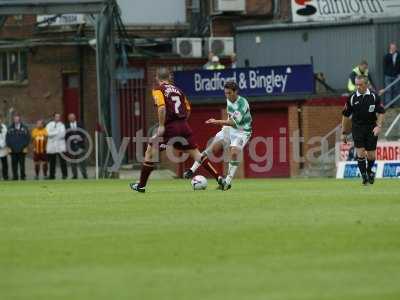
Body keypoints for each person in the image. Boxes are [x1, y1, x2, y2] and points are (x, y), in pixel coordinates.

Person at [130, 68, 221, 193]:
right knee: (197, 154)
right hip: (184, 125)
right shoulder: (179, 91)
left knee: (150, 152)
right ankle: (219, 178)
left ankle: (141, 185)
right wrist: (181, 122)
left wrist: (162, 125)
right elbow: (188, 109)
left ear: (157, 78)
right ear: (169, 77)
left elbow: (161, 108)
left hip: (170, 127)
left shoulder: (158, 90)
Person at [184, 81, 252, 191]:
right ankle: (192, 170)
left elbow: (234, 123)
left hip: (242, 131)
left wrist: (216, 121)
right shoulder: (228, 100)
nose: (227, 96)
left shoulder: (242, 104)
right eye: (225, 93)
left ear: (236, 92)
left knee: (234, 153)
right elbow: (230, 121)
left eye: (229, 93)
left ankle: (227, 182)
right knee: (211, 149)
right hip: (229, 129)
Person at [341, 75, 385, 185]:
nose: (358, 87)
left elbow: (381, 112)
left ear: (366, 84)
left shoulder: (374, 96)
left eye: (360, 84)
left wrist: (378, 126)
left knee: (371, 155)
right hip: (357, 128)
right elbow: (345, 116)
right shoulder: (352, 98)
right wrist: (344, 133)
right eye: (356, 84)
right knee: (360, 153)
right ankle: (364, 176)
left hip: (371, 127)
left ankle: (369, 171)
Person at [6, 114, 30, 180]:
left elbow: (28, 138)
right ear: (13, 119)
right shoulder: (10, 128)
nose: (16, 120)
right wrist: (9, 147)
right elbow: (7, 138)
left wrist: (25, 146)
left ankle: (23, 176)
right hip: (13, 150)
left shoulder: (24, 128)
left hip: (22, 150)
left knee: (22, 164)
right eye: (15, 119)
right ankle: (15, 177)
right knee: (14, 165)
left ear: (19, 119)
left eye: (17, 118)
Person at [65, 113, 88, 179]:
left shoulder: (80, 124)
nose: (71, 118)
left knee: (82, 161)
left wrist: (80, 138)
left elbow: (84, 133)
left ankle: (84, 174)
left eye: (73, 117)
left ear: (75, 118)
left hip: (80, 146)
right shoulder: (66, 126)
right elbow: (65, 136)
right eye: (70, 117)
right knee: (73, 162)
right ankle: (75, 175)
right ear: (68, 118)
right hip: (71, 147)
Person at [46, 113, 68, 180]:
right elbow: (47, 133)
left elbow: (62, 135)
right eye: (56, 117)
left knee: (62, 162)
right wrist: (56, 132)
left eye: (59, 117)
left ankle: (64, 175)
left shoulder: (62, 125)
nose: (58, 118)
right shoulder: (49, 125)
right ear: (53, 117)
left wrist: (53, 133)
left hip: (60, 146)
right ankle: (52, 175)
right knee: (52, 162)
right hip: (52, 146)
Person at [0, 116, 9, 180]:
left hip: (3, 148)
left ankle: (5, 176)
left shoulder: (4, 127)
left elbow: (6, 137)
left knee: (4, 164)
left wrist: (2, 145)